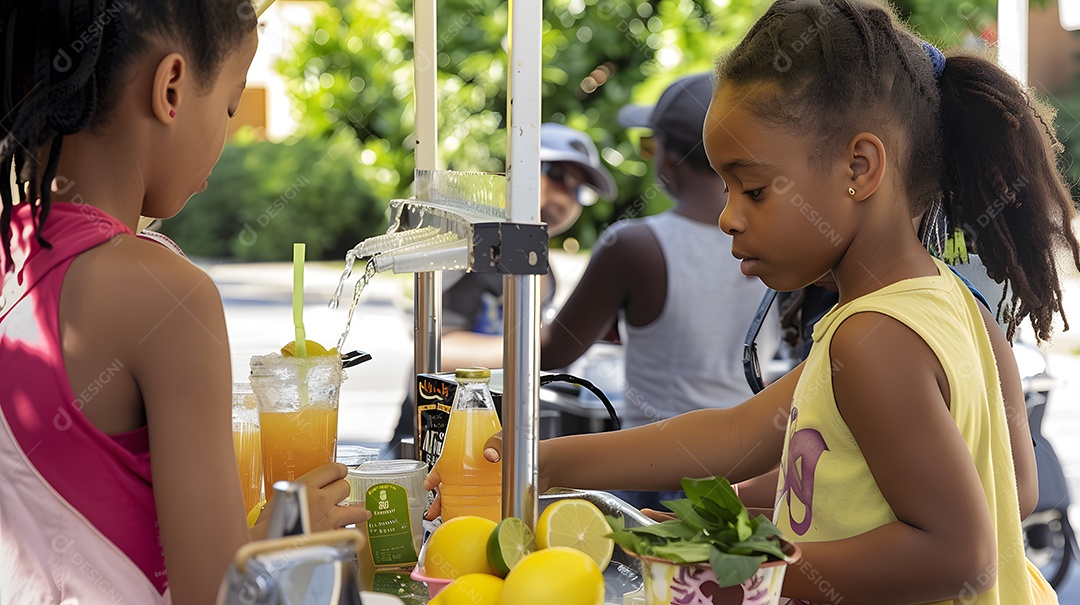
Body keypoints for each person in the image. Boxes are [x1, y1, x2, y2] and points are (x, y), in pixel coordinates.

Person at [431, 1, 1074, 601]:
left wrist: (735, 562)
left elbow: (960, 559)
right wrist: (540, 461)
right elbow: (1010, 488)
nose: (728, 218)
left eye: (754, 190)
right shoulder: (951, 311)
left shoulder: (874, 339)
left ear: (859, 168)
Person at [0, 3, 367, 602]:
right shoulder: (166, 294)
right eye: (228, 105)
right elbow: (219, 594)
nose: (226, 133)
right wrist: (291, 541)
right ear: (171, 87)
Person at [541, 73, 779, 429]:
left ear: (667, 156)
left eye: (648, 144)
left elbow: (552, 352)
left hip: (656, 467)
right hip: (746, 469)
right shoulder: (781, 238)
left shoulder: (634, 246)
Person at [440, 122, 618, 372]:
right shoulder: (479, 243)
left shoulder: (543, 266)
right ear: (521, 171)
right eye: (558, 174)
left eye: (580, 189)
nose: (567, 194)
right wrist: (539, 351)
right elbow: (438, 351)